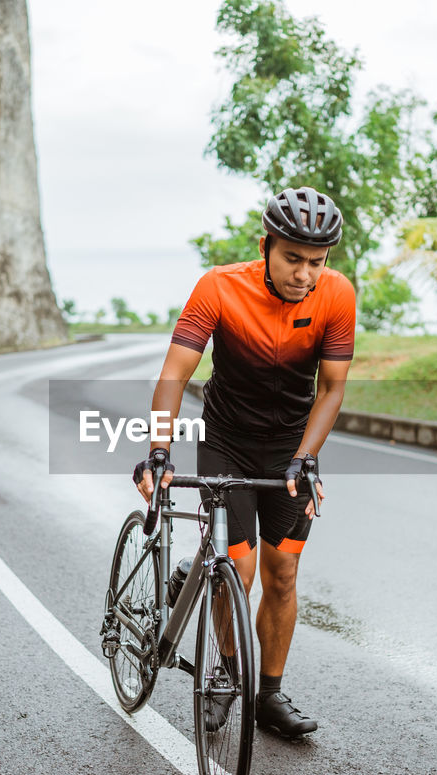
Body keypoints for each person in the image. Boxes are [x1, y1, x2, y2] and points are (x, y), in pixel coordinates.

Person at [133, 186, 355, 738]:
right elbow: (174, 375)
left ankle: (269, 696)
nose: (304, 274)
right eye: (292, 259)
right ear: (266, 246)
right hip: (226, 441)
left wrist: (306, 458)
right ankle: (228, 675)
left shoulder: (337, 295)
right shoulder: (218, 288)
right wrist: (159, 452)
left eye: (316, 262)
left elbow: (330, 390)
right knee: (242, 569)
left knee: (283, 574)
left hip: (289, 448)